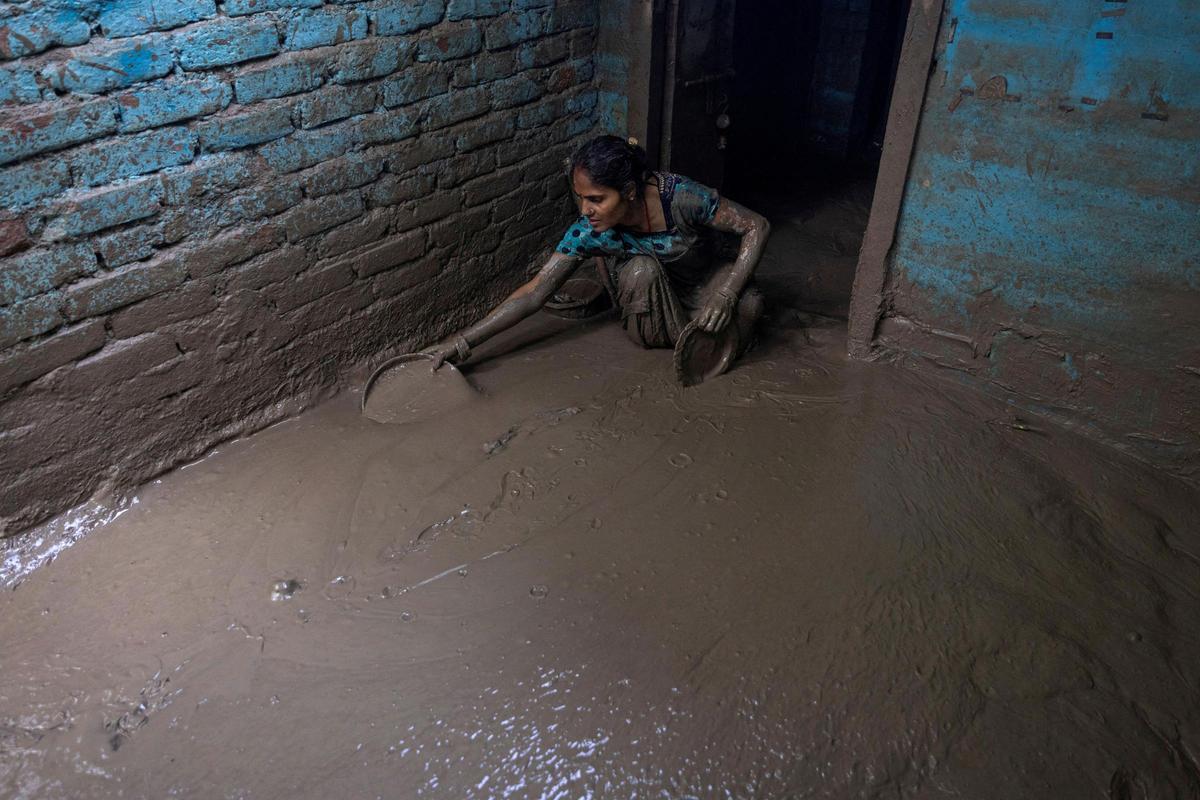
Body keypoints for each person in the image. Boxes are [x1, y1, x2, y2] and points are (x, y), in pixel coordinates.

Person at [425, 135, 770, 370]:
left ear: (630, 191)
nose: (586, 210)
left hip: (701, 284)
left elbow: (757, 226)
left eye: (596, 199)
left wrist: (726, 294)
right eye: (581, 198)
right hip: (649, 298)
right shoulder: (588, 232)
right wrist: (461, 342)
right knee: (641, 269)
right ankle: (700, 342)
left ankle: (703, 339)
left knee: (750, 303)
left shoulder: (681, 198)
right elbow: (534, 293)